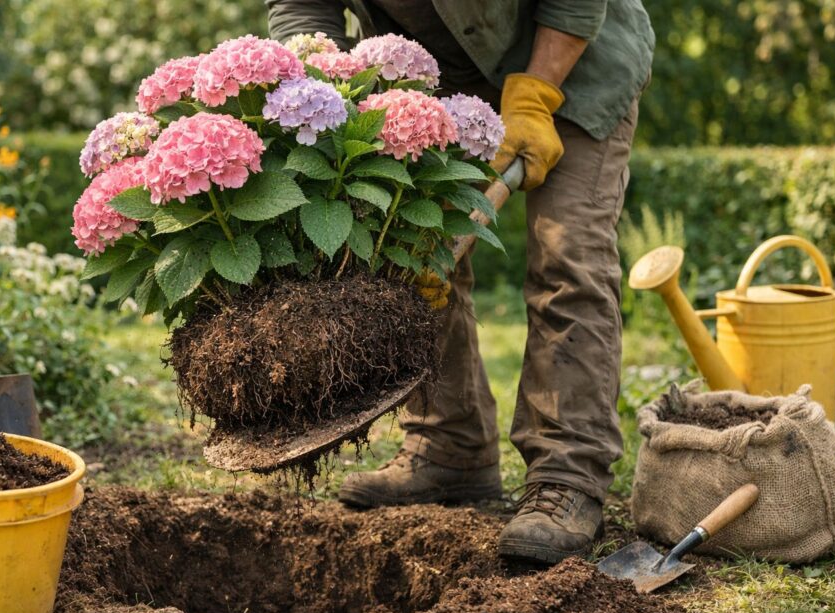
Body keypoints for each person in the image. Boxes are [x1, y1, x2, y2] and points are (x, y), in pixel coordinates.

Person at [266, 0, 654, 564]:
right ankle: (450, 448)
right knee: (413, 251)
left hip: (572, 64)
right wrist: (324, 91)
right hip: (436, 79)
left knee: (567, 256)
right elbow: (303, 7)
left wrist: (536, 93)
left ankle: (567, 475)